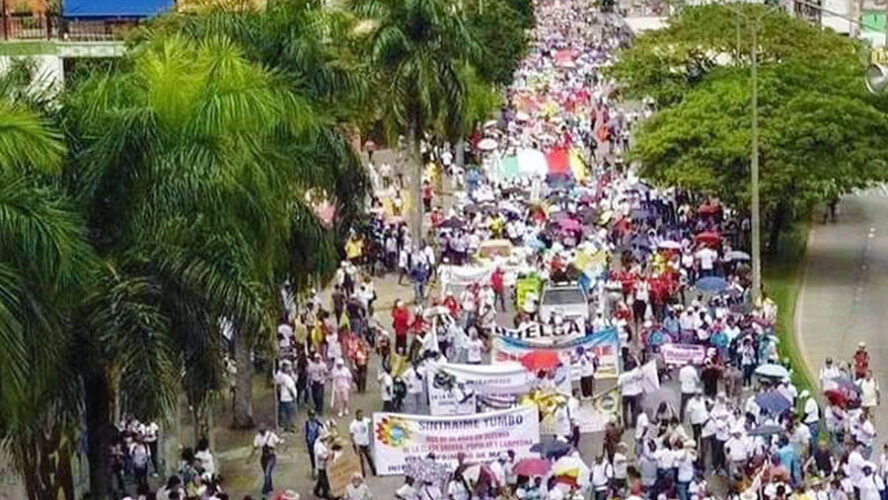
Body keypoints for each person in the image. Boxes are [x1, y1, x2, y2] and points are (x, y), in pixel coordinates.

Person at [251, 424, 280, 498]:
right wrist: (250, 457)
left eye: (262, 431)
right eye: (260, 431)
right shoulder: (257, 437)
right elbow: (255, 447)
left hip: (271, 457)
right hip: (263, 458)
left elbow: (277, 442)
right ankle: (270, 488)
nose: (262, 432)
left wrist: (282, 446)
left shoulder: (271, 435)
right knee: (267, 474)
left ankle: (265, 490)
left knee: (267, 473)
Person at [349, 410, 376, 476]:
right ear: (357, 415)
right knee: (360, 460)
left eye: (362, 415)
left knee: (369, 458)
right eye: (360, 415)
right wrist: (355, 444)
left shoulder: (365, 420)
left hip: (366, 443)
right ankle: (362, 473)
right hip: (358, 444)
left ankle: (374, 471)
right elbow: (351, 436)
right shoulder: (353, 424)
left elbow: (372, 421)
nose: (361, 416)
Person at [274, 360, 298, 432]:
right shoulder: (286, 378)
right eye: (288, 367)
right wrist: (293, 396)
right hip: (288, 398)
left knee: (284, 413)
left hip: (283, 398)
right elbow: (290, 388)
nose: (290, 368)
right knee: (290, 413)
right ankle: (290, 427)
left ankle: (285, 426)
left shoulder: (283, 376)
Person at [304, 410, 325, 478]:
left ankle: (319, 470)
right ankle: (314, 469)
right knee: (312, 457)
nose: (312, 417)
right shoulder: (307, 424)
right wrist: (307, 441)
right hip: (310, 443)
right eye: (311, 415)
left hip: (317, 443)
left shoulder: (318, 423)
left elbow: (323, 430)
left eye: (313, 415)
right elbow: (305, 433)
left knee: (318, 456)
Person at [313, 432, 332, 499]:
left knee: (322, 478)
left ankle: (316, 490)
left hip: (324, 464)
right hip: (321, 465)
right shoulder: (318, 446)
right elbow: (320, 455)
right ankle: (325, 492)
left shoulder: (323, 443)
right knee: (323, 479)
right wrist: (327, 456)